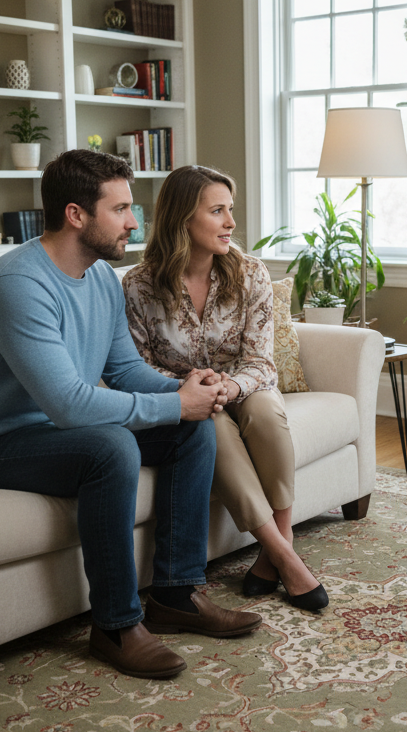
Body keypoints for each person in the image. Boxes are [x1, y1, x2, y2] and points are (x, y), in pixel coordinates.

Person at [0, 150, 262, 680]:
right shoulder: (19, 285)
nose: (134, 222)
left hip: (50, 431)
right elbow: (68, 403)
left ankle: (176, 594)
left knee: (190, 430)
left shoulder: (99, 279)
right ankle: (114, 625)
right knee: (111, 446)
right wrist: (174, 402)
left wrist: (185, 392)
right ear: (76, 215)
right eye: (121, 209)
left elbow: (125, 369)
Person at [122, 166, 328, 611]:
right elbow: (137, 364)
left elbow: (260, 359)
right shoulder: (138, 286)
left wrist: (228, 386)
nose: (231, 223)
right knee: (210, 427)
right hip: (185, 395)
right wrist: (190, 388)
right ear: (182, 219)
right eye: (218, 211)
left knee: (267, 414)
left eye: (229, 210)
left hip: (246, 384)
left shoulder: (251, 273)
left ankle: (281, 543)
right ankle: (283, 556)